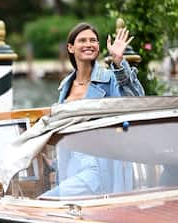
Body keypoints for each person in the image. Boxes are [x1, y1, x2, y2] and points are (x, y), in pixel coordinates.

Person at [42, 22, 145, 197]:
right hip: (71, 167)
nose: (89, 44)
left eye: (93, 40)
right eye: (82, 40)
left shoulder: (110, 78)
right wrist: (54, 163)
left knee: (46, 200)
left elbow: (136, 101)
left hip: (99, 169)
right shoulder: (65, 86)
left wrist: (119, 62)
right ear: (71, 47)